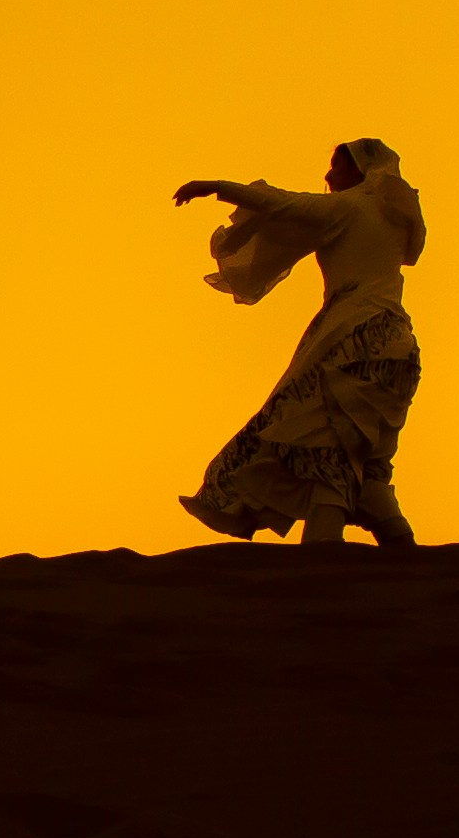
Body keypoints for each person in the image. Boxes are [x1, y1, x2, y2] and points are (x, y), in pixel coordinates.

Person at [173, 138, 424, 548]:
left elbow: (283, 205)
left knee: (322, 444)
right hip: (396, 346)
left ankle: (322, 558)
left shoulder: (350, 207)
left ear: (358, 170)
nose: (328, 176)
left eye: (336, 167)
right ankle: (400, 548)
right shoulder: (395, 216)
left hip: (352, 342)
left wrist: (216, 186)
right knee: (365, 457)